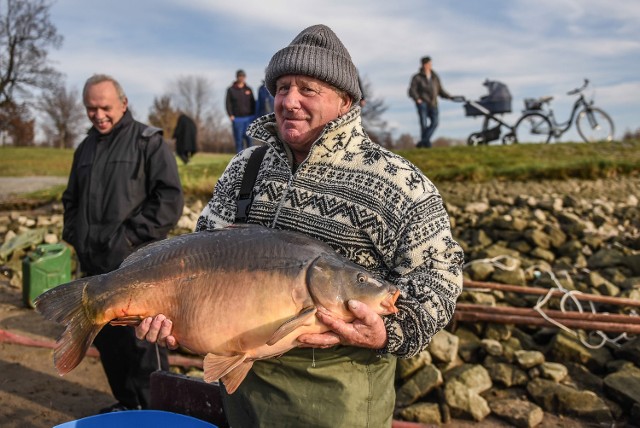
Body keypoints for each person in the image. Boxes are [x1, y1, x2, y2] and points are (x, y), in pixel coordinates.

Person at [137, 25, 463, 427]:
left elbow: (440, 280)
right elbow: (200, 257)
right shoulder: (245, 168)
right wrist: (173, 315)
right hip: (246, 393)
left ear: (346, 102)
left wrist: (386, 332)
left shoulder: (398, 182)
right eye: (282, 87)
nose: (289, 100)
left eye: (308, 89)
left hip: (339, 399)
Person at [62, 74, 184, 413]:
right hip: (94, 267)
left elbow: (170, 200)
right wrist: (74, 235)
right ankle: (127, 404)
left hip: (137, 270)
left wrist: (130, 239)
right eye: (91, 109)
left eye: (105, 107)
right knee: (109, 345)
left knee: (144, 345)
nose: (98, 115)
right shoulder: (85, 147)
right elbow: (70, 199)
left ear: (124, 103)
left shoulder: (148, 142)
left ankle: (155, 412)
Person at [408, 56, 457, 148]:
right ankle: (426, 144)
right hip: (422, 103)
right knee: (423, 123)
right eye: (428, 64)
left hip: (433, 103)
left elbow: (440, 90)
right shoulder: (417, 77)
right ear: (423, 65)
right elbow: (411, 90)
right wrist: (417, 99)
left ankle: (423, 142)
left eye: (430, 64)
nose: (430, 66)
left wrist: (449, 97)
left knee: (435, 122)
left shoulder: (435, 77)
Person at [225, 69, 256, 153]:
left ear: (245, 77)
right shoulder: (231, 90)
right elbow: (228, 104)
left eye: (243, 76)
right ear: (237, 77)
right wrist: (230, 115)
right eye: (240, 76)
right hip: (237, 119)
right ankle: (239, 160)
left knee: (250, 139)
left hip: (249, 118)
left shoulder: (248, 89)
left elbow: (253, 102)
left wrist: (254, 115)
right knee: (239, 140)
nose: (241, 78)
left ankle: (251, 158)